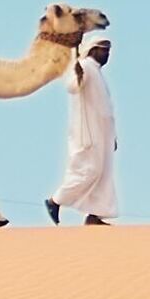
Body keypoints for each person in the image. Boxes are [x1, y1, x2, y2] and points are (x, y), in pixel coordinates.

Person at [46, 38, 118, 227]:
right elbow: (72, 86)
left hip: (102, 134)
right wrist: (77, 75)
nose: (107, 55)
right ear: (93, 51)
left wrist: (112, 135)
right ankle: (56, 200)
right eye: (104, 51)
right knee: (89, 170)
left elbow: (105, 109)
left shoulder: (97, 72)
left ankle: (94, 215)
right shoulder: (85, 66)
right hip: (88, 134)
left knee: (103, 174)